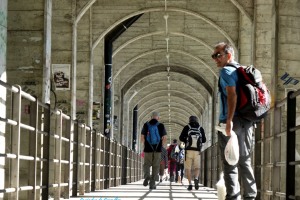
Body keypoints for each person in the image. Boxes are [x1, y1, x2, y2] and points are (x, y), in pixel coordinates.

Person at [212, 42, 257, 199]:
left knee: (230, 162)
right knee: (245, 160)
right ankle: (250, 196)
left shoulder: (226, 71)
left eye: (218, 55)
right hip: (247, 121)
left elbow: (232, 95)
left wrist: (229, 120)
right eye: (214, 56)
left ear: (228, 55)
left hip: (231, 122)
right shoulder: (242, 71)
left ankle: (233, 197)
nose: (215, 59)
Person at [141, 111, 167, 190]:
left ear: (151, 117)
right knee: (156, 166)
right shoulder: (161, 125)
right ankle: (152, 183)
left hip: (148, 149)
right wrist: (161, 145)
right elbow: (164, 138)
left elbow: (142, 137)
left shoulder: (146, 125)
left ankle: (147, 177)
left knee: (146, 164)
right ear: (158, 117)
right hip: (158, 150)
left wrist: (145, 145)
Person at [179, 116, 206, 191]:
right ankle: (196, 178)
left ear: (189, 120)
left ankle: (190, 184)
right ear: (197, 121)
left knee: (188, 168)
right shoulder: (200, 128)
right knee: (197, 167)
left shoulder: (187, 127)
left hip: (188, 150)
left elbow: (181, 138)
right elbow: (204, 140)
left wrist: (186, 140)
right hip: (197, 151)